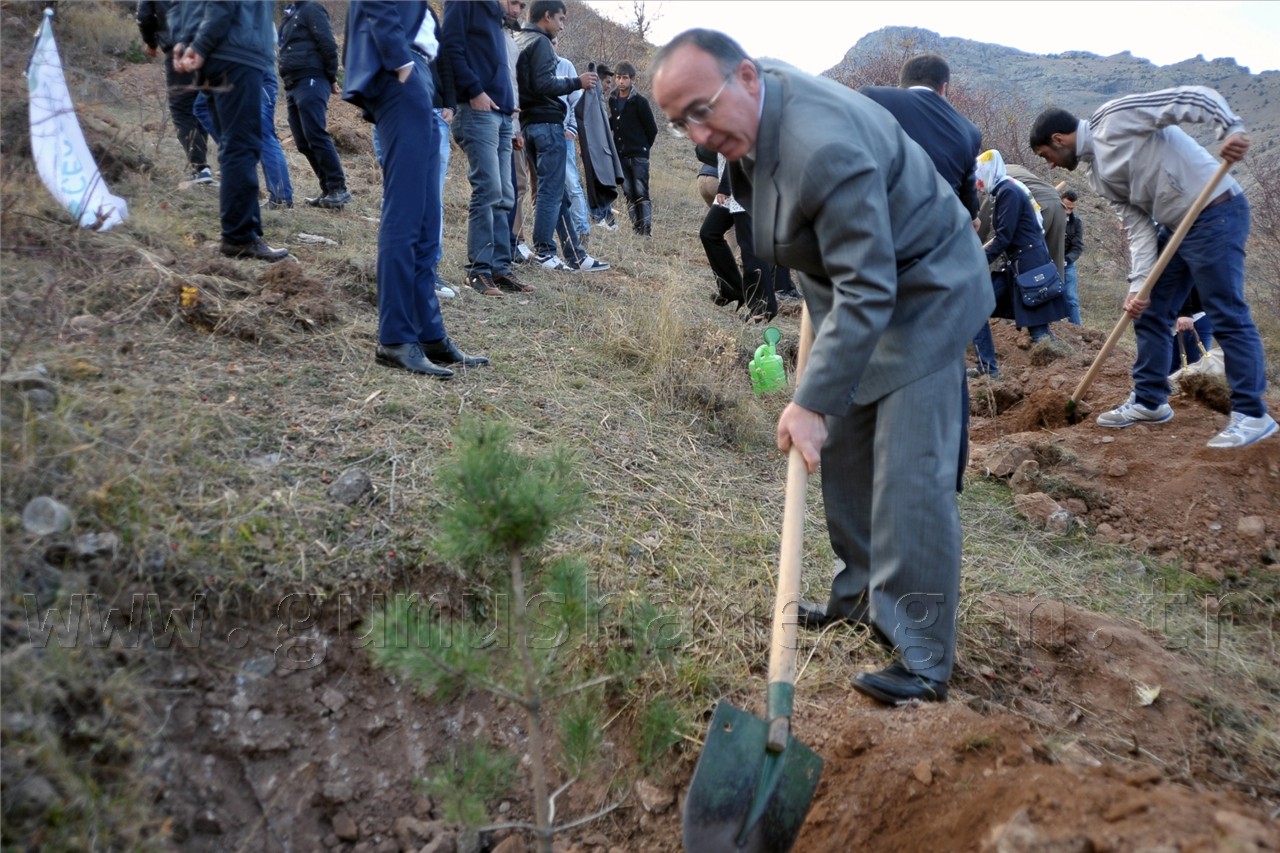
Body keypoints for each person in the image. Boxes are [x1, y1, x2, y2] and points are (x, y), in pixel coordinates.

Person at [652, 30, 993, 705]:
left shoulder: (823, 147)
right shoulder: (751, 107)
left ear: (748, 76)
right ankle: (860, 595)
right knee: (842, 451)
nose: (697, 132)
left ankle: (921, 654)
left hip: (926, 288)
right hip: (858, 289)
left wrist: (807, 402)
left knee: (908, 474)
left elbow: (872, 286)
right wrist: (821, 399)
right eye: (679, 121)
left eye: (702, 109)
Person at [1031, 87, 1276, 448]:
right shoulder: (1098, 175)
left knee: (1225, 310)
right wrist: (1138, 284)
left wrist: (1230, 128)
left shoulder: (1114, 117)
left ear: (1058, 139)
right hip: (1174, 227)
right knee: (1150, 310)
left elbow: (1192, 97)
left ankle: (1252, 414)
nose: (1049, 164)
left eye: (1045, 155)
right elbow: (1138, 227)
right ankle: (1150, 402)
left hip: (1215, 211)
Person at [343, 1, 489, 377]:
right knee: (406, 212)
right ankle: (394, 337)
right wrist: (400, 60)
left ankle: (428, 334)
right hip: (401, 71)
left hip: (418, 73)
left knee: (426, 217)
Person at [171, 1, 288, 262]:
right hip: (237, 54)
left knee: (233, 144)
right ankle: (239, 237)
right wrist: (198, 44)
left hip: (218, 55)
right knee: (242, 145)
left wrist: (189, 39)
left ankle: (240, 231)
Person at [443, 0, 531, 296]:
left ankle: (499, 268)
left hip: (503, 113)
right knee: (489, 188)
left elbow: (499, 66)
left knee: (506, 194)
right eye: (514, 2)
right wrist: (474, 91)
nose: (516, 7)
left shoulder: (496, 16)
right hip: (477, 111)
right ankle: (477, 271)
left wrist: (510, 108)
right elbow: (450, 49)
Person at [514, 0, 609, 271]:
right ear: (547, 16)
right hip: (546, 124)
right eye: (561, 20)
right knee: (550, 192)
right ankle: (545, 251)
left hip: (529, 125)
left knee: (558, 193)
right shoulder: (541, 42)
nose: (562, 26)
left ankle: (575, 254)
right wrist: (576, 82)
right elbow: (543, 83)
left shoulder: (520, 38)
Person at [969, 149, 1068, 377]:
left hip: (1028, 266)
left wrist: (978, 262)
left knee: (1036, 326)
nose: (978, 184)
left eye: (979, 177)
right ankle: (988, 368)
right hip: (1020, 266)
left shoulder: (1008, 192)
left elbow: (1004, 237)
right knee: (981, 308)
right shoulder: (1005, 190)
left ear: (988, 172)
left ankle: (1061, 376)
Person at [860, 53, 982, 225]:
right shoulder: (970, 131)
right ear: (943, 88)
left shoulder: (873, 97)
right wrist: (973, 216)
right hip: (938, 232)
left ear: (901, 83)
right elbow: (967, 193)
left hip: (879, 221)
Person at [278, 1, 350, 210]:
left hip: (312, 77)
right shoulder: (290, 14)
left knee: (315, 134)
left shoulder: (312, 8)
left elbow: (327, 43)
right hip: (293, 82)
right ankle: (327, 189)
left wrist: (330, 76)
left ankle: (338, 188)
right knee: (301, 140)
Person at [136, 1, 213, 185]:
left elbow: (144, 16)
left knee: (182, 108)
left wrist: (150, 42)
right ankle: (204, 166)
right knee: (201, 105)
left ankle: (200, 167)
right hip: (207, 47)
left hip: (179, 47)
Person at [609, 61, 659, 235]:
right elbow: (614, 124)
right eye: (618, 77)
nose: (621, 81)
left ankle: (646, 230)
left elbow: (652, 128)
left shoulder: (640, 102)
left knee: (641, 192)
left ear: (632, 80)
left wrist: (644, 147)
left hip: (638, 155)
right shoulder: (613, 100)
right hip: (621, 155)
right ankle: (636, 228)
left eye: (625, 78)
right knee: (628, 192)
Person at [577, 63, 622, 230]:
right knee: (595, 181)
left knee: (605, 181)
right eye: (607, 82)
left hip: (602, 149)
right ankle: (597, 216)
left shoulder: (600, 99)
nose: (609, 86)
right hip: (593, 149)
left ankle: (607, 217)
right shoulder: (589, 96)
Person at [1061, 189, 1084, 324]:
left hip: (1066, 264)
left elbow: (1078, 247)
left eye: (1071, 208)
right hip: (1047, 263)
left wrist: (1067, 259)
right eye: (1066, 207)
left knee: (1071, 299)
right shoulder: (1048, 216)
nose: (1068, 211)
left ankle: (1077, 331)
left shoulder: (1076, 223)